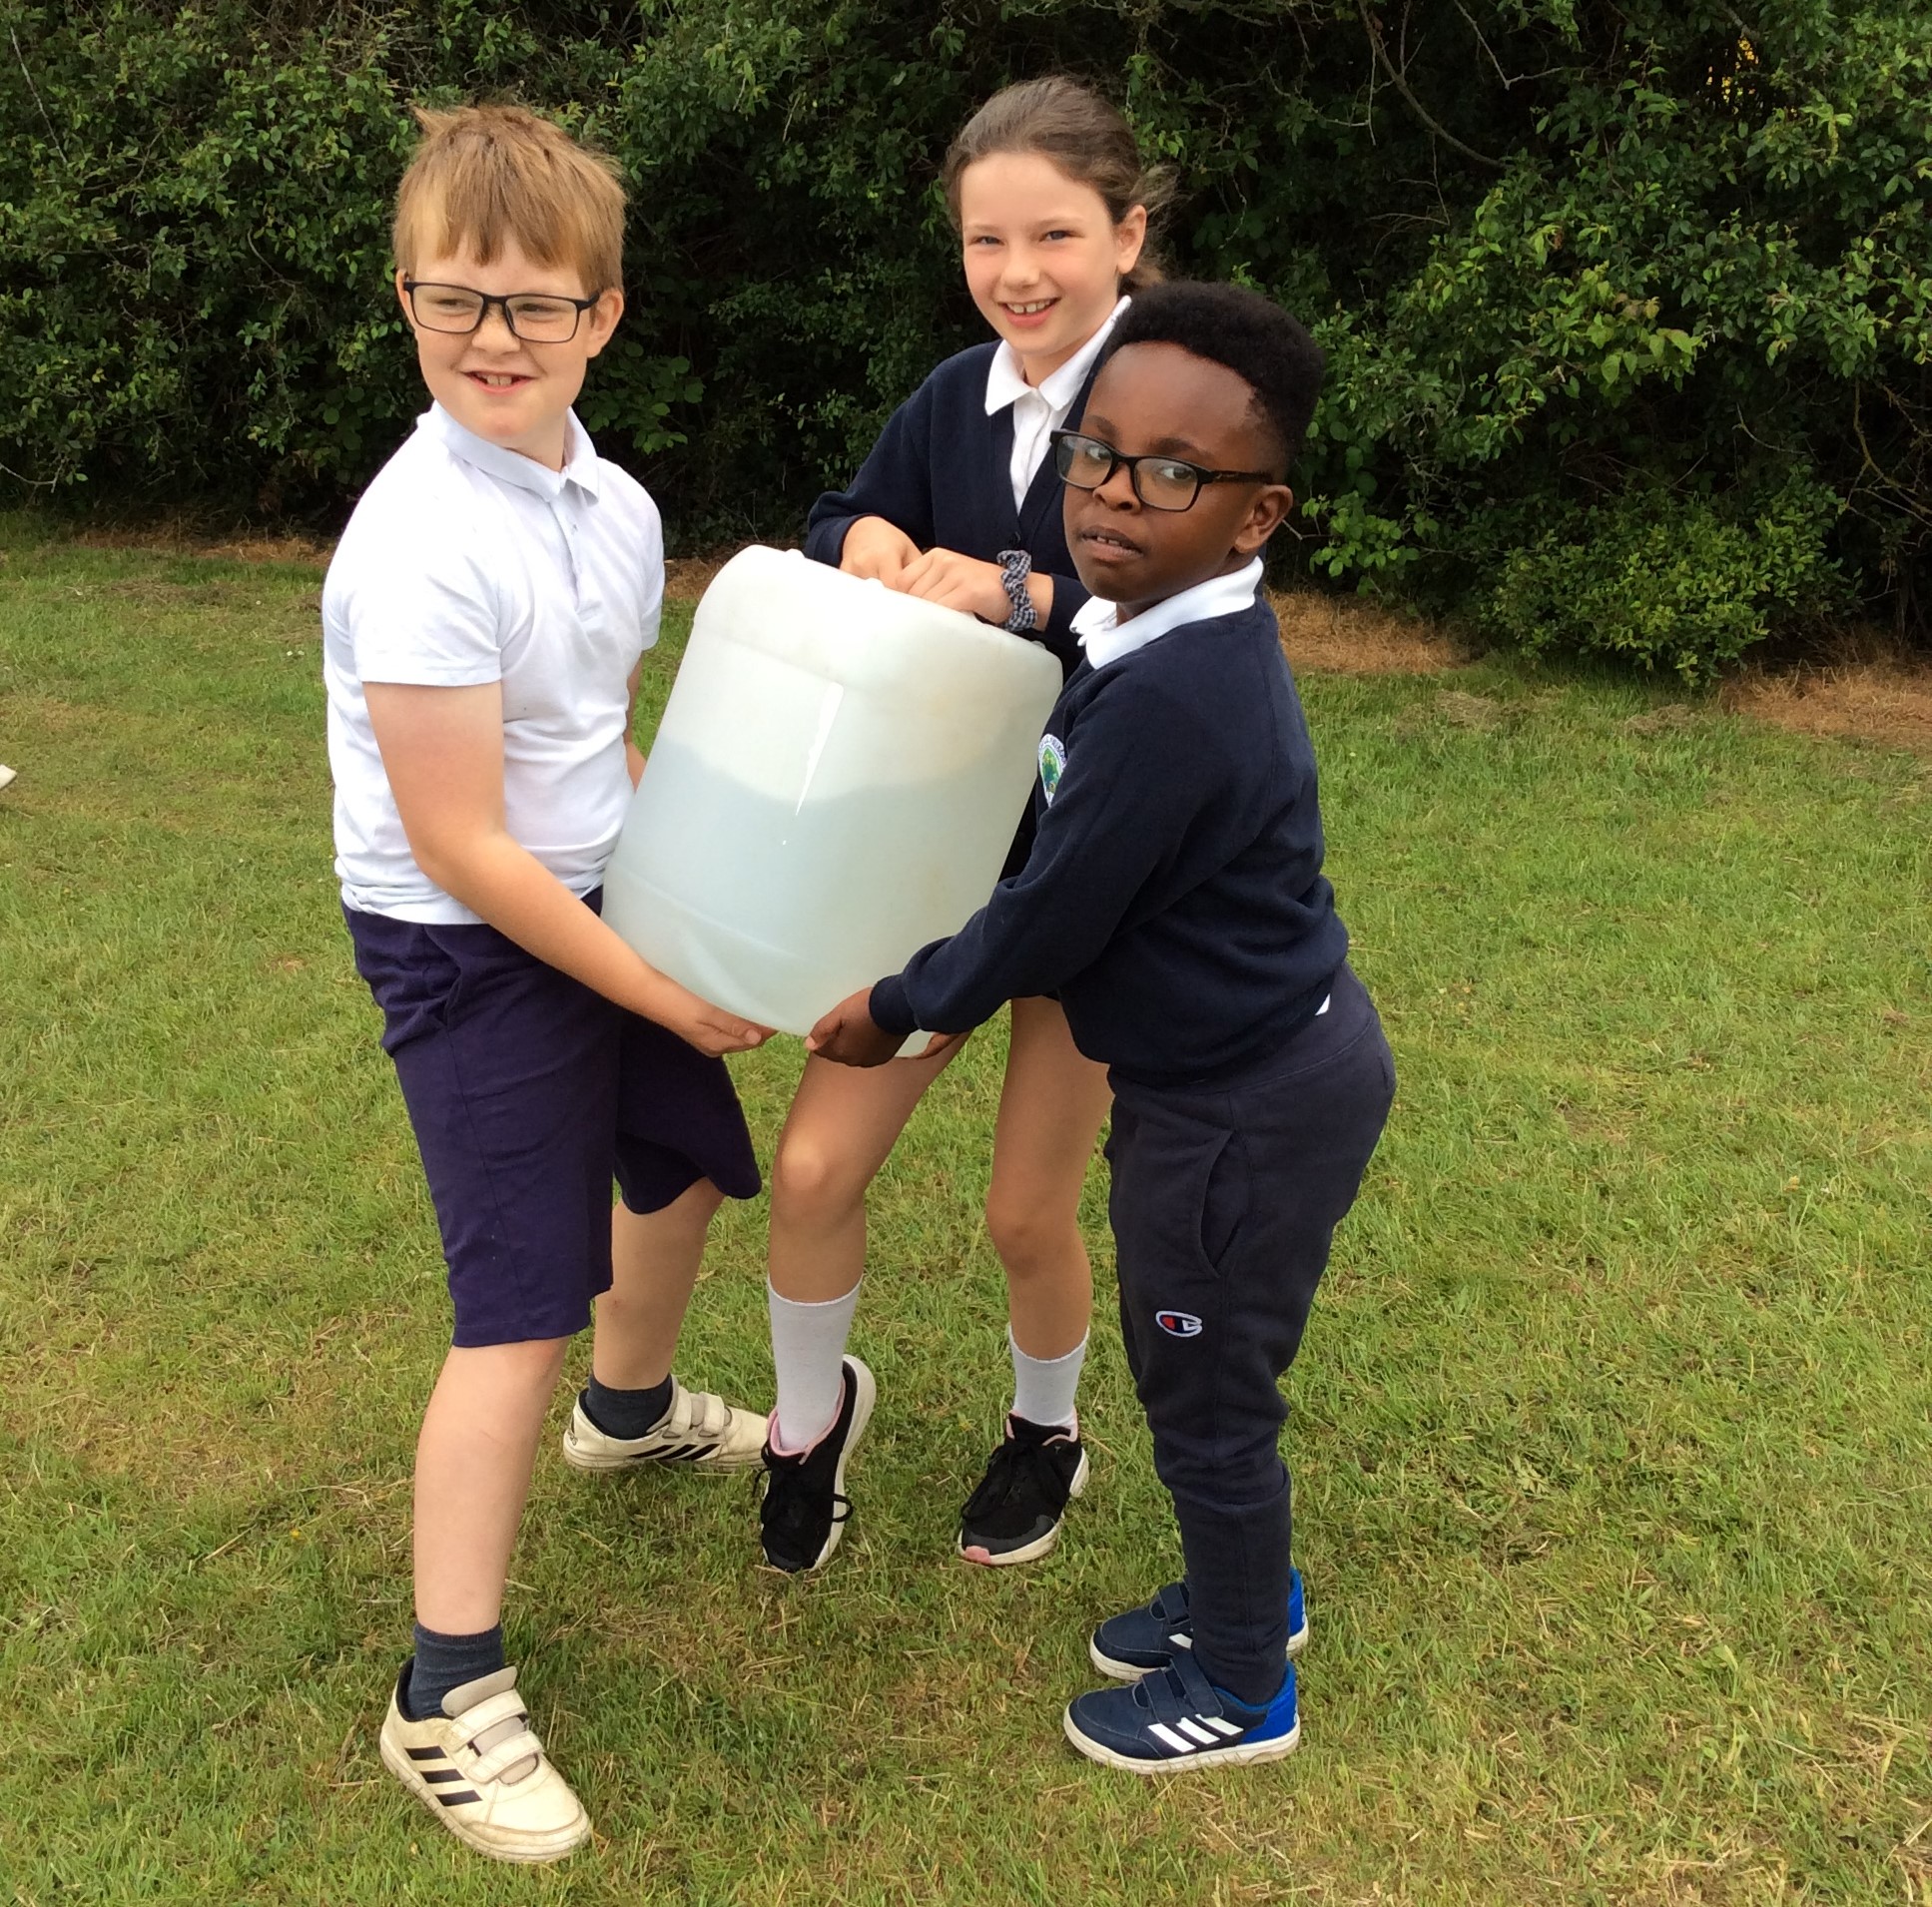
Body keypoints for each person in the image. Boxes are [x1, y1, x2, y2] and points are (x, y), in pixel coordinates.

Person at [808, 282, 1396, 1771]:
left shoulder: (1173, 699)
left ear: (1256, 516)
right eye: (1096, 454)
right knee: (1198, 1368)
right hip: (1242, 1073)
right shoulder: (1144, 641)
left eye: (1172, 474)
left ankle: (1247, 1679)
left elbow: (1050, 921)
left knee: (1203, 1391)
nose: (1115, 497)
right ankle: (1234, 1593)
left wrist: (894, 1004)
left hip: (1242, 1105)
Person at [322, 104, 772, 1860]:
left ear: (604, 314)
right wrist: (658, 984)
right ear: (408, 300)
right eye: (456, 300)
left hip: (594, 896)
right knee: (513, 1302)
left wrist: (686, 905)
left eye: (533, 303)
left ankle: (630, 1412)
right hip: (468, 938)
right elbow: (461, 843)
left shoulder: (614, 499)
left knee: (674, 1171)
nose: (493, 337)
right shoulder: (418, 537)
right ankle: (445, 1690)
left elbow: (597, 744)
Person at [761, 77, 1167, 1577]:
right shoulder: (954, 394)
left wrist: (1019, 593)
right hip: (925, 862)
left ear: (1128, 233)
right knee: (810, 1171)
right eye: (986, 240)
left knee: (1023, 1210)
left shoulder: (1172, 403)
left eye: (1055, 233)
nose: (1018, 271)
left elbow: (1197, 605)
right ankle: (809, 1424)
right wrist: (859, 536)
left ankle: (1044, 1424)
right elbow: (836, 516)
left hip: (1088, 878)